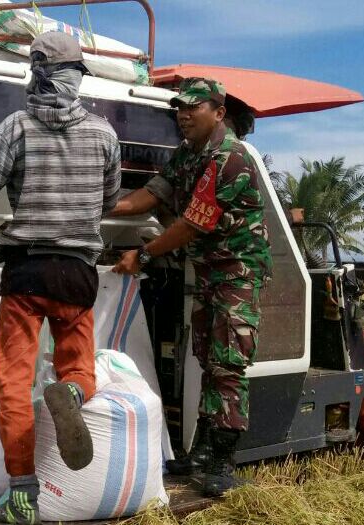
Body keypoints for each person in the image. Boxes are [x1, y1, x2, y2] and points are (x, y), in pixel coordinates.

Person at [0, 31, 121, 525]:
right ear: (76, 77)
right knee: (78, 369)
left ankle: (22, 499)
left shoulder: (14, 127)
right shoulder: (105, 134)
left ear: (35, 75)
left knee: (14, 384)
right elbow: (107, 203)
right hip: (79, 276)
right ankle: (73, 396)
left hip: (27, 275)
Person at [109, 78, 272, 497]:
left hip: (237, 272)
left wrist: (141, 256)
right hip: (208, 272)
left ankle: (222, 462)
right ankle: (200, 453)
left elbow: (190, 224)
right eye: (179, 108)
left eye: (192, 108)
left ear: (218, 112)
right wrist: (105, 205)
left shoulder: (227, 157)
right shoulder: (188, 154)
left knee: (228, 364)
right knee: (207, 359)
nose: (182, 115)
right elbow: (154, 192)